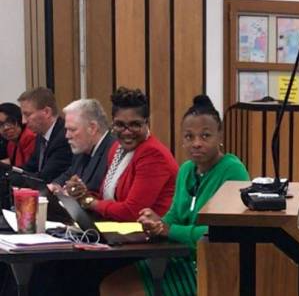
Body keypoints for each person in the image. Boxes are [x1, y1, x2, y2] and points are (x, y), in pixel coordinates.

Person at [99, 95, 249, 296]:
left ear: (220, 137)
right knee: (108, 282)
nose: (196, 143)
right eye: (189, 136)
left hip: (212, 267)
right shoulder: (187, 169)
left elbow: (219, 234)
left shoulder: (232, 171)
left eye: (205, 136)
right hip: (180, 258)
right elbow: (174, 217)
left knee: (120, 290)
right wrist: (155, 222)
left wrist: (168, 229)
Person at [69, 87, 178, 221]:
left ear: (147, 123)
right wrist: (82, 194)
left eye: (135, 125)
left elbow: (132, 212)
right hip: (119, 232)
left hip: (151, 237)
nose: (127, 132)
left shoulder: (153, 154)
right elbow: (108, 199)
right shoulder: (116, 148)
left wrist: (90, 202)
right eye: (120, 125)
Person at [47, 99, 116, 196]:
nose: (67, 135)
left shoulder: (114, 152)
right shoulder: (83, 148)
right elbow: (69, 174)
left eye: (72, 130)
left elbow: (99, 193)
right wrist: (55, 185)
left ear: (92, 128)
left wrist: (70, 194)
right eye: (67, 130)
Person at [18, 87, 73, 182]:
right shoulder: (41, 136)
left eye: (27, 114)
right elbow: (29, 168)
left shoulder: (64, 137)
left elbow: (45, 178)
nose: (23, 121)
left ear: (47, 112)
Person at [0, 102, 36, 168]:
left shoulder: (29, 137)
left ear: (19, 119)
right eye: (0, 124)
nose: (6, 128)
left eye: (10, 121)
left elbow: (29, 170)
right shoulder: (11, 143)